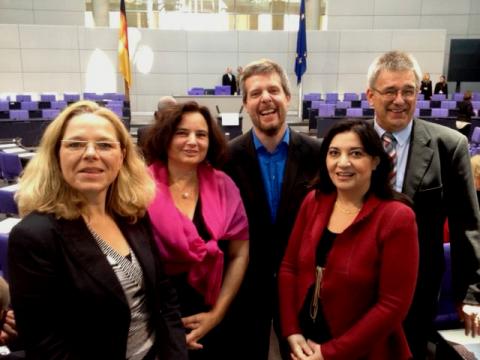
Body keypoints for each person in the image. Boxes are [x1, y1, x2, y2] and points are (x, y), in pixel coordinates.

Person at [8, 101, 188, 360]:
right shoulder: (34, 236)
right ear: (56, 154)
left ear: (122, 156)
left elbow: (163, 295)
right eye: (75, 144)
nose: (91, 153)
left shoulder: (132, 214)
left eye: (105, 145)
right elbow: (45, 344)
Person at [366, 50, 480, 359]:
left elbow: (467, 225)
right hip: (358, 282)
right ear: (371, 95)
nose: (399, 100)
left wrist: (470, 293)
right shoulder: (350, 144)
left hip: (417, 287)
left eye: (408, 91)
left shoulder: (449, 145)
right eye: (390, 91)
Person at [279, 119, 419, 360]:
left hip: (364, 351)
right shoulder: (313, 201)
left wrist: (329, 353)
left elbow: (392, 305)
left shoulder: (397, 217)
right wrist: (291, 331)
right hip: (305, 346)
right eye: (334, 153)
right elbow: (289, 268)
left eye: (356, 153)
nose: (343, 163)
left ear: (375, 161)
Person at [223, 58, 322, 359]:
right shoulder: (225, 159)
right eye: (255, 93)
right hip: (245, 289)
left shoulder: (320, 155)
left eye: (273, 90)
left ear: (288, 98)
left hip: (303, 290)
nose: (265, 98)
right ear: (245, 104)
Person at [142, 101, 249, 359]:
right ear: (165, 137)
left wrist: (217, 314)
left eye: (201, 135)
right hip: (152, 318)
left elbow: (239, 253)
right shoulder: (138, 189)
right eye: (182, 133)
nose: (193, 141)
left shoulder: (224, 186)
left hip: (211, 313)